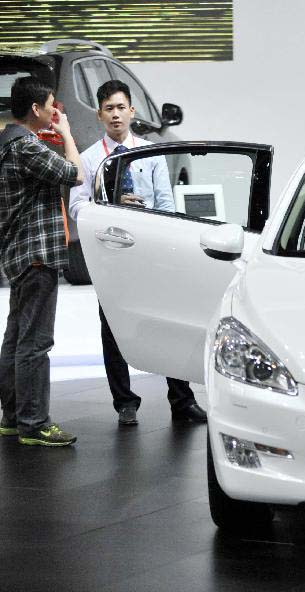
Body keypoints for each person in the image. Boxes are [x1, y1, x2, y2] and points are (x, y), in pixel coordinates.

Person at [69, 80, 207, 426]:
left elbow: (166, 204)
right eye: (108, 109)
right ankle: (125, 402)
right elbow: (76, 208)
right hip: (110, 253)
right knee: (112, 326)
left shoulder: (151, 152)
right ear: (100, 115)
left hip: (151, 252)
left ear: (131, 111)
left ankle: (182, 398)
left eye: (120, 107)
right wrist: (111, 203)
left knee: (167, 323)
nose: (115, 115)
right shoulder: (88, 159)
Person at [0, 76, 83, 446]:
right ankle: (34, 423)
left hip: (21, 255)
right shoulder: (27, 147)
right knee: (35, 342)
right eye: (52, 105)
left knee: (17, 339)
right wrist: (66, 133)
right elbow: (75, 174)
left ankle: (14, 417)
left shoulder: (9, 143)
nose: (55, 111)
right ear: (36, 109)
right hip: (37, 256)